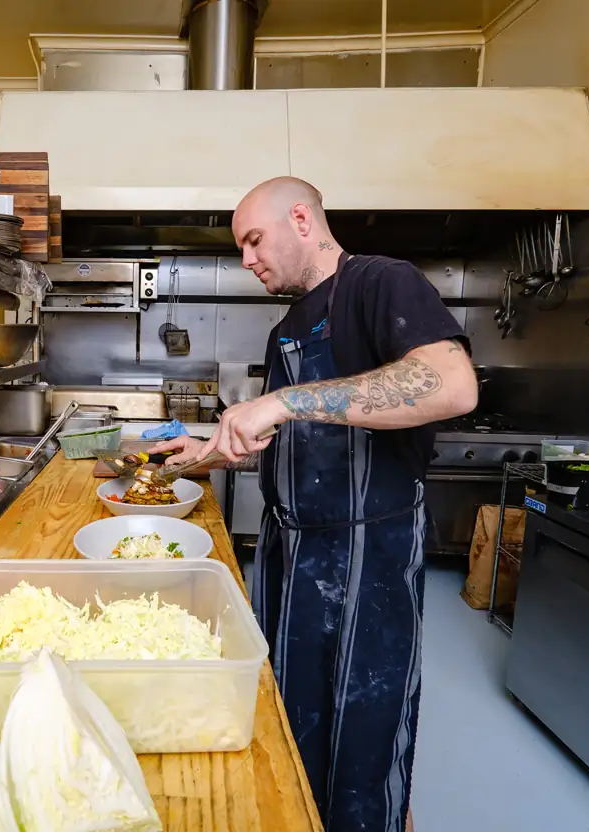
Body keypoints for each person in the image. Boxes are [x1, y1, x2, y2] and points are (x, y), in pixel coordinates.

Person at [150, 177, 478, 832]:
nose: (247, 260)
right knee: (288, 719)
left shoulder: (382, 283)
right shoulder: (288, 328)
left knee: (364, 738)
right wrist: (209, 452)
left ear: (301, 218)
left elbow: (450, 382)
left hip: (368, 558)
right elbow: (293, 444)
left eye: (253, 240)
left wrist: (283, 401)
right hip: (290, 554)